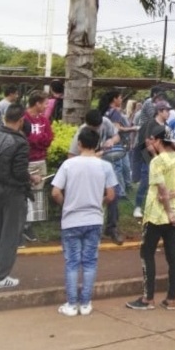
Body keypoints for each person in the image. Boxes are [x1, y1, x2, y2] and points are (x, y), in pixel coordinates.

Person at [51, 127, 118, 316]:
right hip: (94, 219)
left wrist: (66, 204)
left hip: (71, 220)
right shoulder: (105, 166)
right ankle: (86, 303)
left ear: (79, 144)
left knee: (72, 262)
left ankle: (72, 304)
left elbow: (55, 192)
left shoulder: (68, 165)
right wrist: (100, 203)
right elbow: (111, 195)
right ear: (97, 144)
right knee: (90, 262)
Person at [126, 125, 175, 311]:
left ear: (157, 140)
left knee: (147, 254)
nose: (150, 145)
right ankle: (171, 299)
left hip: (156, 215)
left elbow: (162, 189)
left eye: (151, 141)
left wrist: (167, 204)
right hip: (174, 216)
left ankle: (148, 299)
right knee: (172, 257)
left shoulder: (157, 162)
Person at [0, 104, 39, 290]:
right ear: (20, 121)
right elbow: (19, 172)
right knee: (10, 235)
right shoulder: (20, 142)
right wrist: (31, 178)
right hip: (13, 192)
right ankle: (0, 277)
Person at [69, 110, 123, 244]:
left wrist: (111, 140)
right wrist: (94, 156)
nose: (97, 129)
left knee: (114, 195)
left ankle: (111, 228)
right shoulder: (81, 133)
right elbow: (71, 157)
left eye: (98, 127)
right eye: (94, 128)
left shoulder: (105, 122)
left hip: (104, 167)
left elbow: (117, 136)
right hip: (87, 170)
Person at [21, 92, 54, 244]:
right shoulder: (24, 118)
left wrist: (38, 140)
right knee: (24, 193)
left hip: (41, 160)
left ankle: (28, 225)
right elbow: (26, 139)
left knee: (37, 194)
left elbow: (49, 138)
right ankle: (20, 224)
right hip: (27, 161)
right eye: (44, 103)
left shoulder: (43, 120)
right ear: (37, 103)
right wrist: (38, 140)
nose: (46, 106)